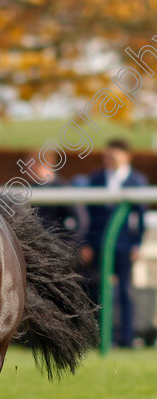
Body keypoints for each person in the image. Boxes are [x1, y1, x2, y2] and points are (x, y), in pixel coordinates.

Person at [80, 139, 147, 348]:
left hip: (124, 245)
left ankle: (126, 337)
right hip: (99, 243)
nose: (109, 160)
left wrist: (137, 243)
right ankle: (100, 337)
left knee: (125, 291)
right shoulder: (96, 179)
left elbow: (141, 217)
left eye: (113, 156)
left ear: (127, 156)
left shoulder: (137, 180)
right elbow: (88, 215)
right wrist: (87, 243)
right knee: (97, 290)